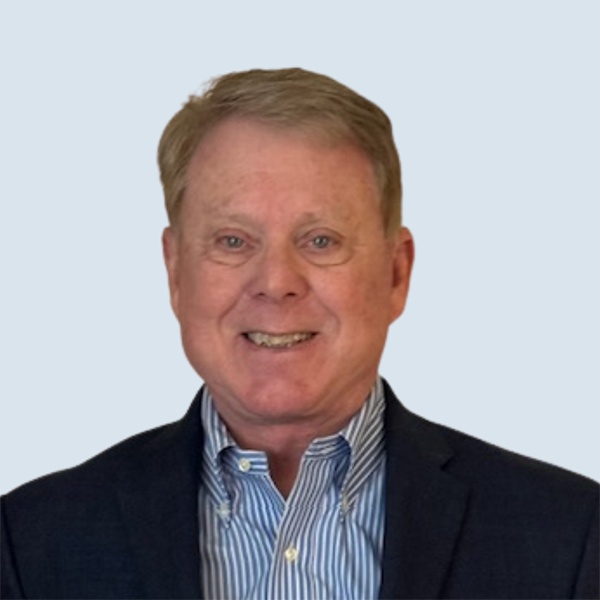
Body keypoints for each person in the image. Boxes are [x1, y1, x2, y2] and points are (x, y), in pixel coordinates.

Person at [1, 68, 598, 600]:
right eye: (233, 241)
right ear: (175, 272)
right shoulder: (28, 546)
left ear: (396, 273)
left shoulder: (571, 537)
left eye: (321, 241)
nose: (277, 282)